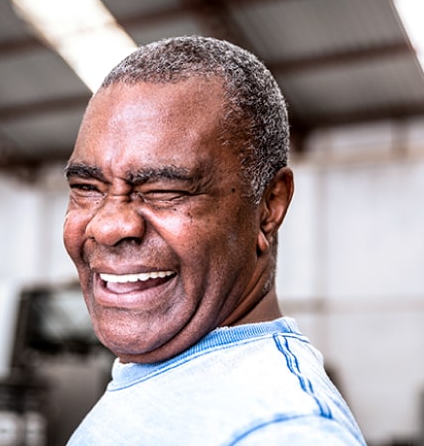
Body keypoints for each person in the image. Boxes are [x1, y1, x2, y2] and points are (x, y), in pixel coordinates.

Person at [62, 35, 365, 445]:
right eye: (87, 187)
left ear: (268, 207)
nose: (109, 226)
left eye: (164, 190)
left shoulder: (281, 430)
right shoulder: (171, 376)